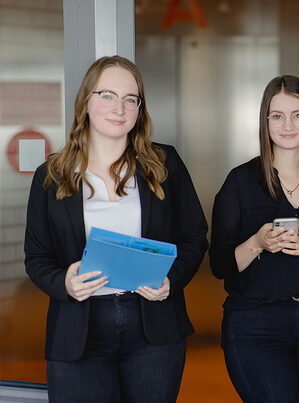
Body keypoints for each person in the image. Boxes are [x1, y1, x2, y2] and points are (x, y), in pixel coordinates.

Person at [24, 55, 208, 403]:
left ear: (140, 108)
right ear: (86, 102)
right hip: (78, 331)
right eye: (107, 95)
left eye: (130, 98)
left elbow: (195, 236)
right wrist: (64, 281)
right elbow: (36, 257)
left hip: (153, 329)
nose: (119, 108)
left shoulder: (164, 164)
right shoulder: (50, 175)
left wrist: (172, 279)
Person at [209, 75, 299, 403]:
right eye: (277, 116)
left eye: (298, 115)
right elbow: (219, 264)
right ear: (265, 121)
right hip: (255, 326)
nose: (288, 125)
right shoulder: (240, 182)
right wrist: (257, 243)